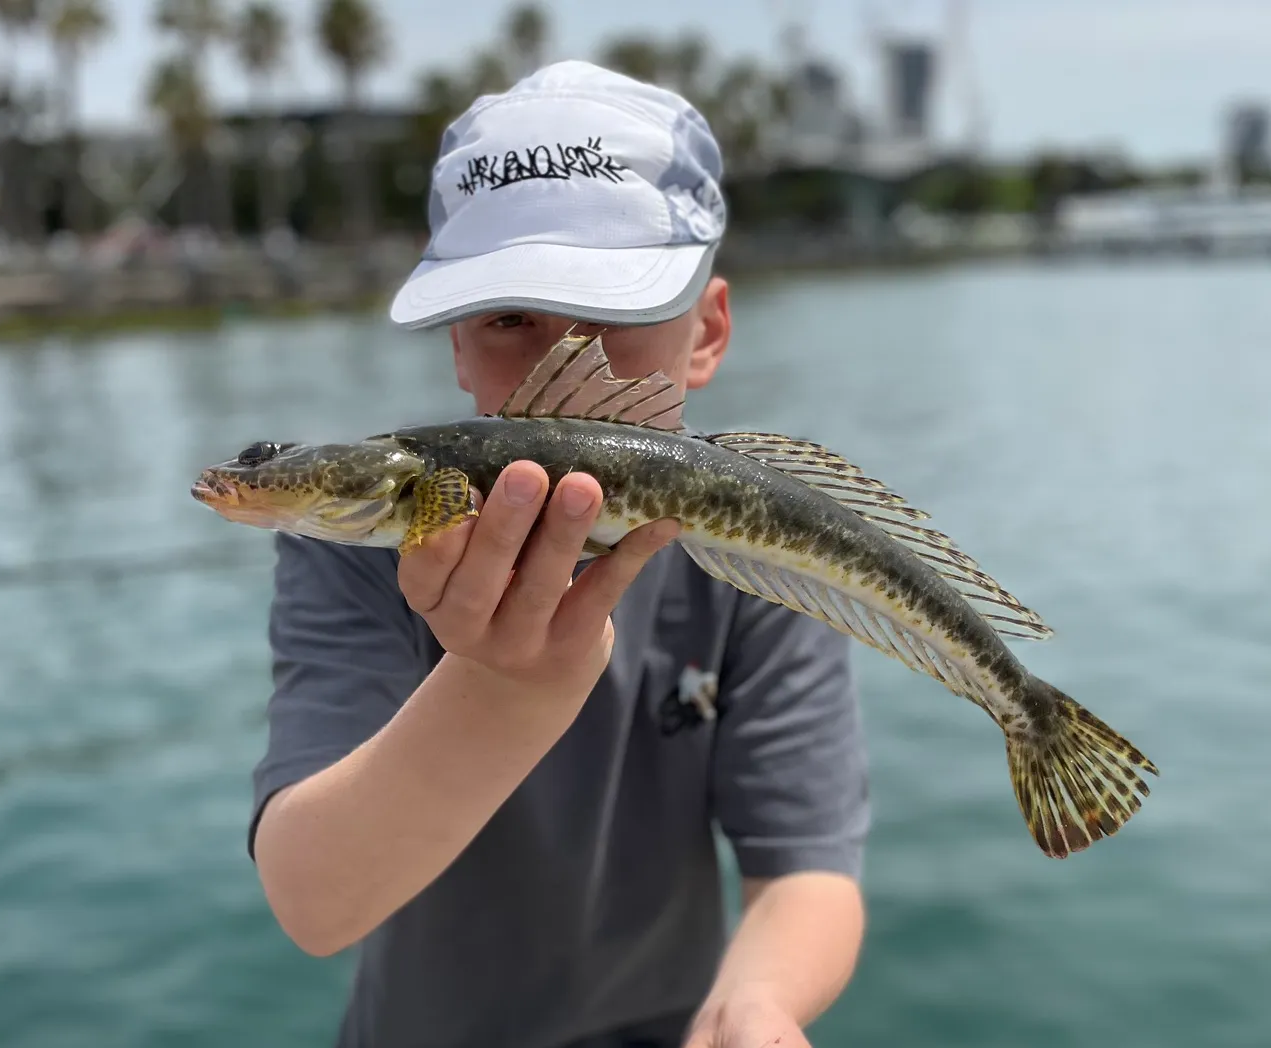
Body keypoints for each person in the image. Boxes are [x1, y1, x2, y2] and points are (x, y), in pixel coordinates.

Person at [248, 60, 870, 1048]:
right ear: (457, 347)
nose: (560, 364)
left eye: (614, 316)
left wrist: (755, 1003)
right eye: (508, 321)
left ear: (706, 333)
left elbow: (807, 866)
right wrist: (505, 689)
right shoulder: (358, 541)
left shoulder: (753, 554)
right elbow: (314, 901)